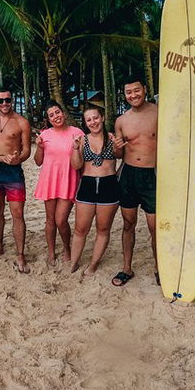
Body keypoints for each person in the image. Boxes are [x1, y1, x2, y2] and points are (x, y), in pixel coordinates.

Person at [113, 75, 195, 287]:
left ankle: (161, 269)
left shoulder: (162, 113)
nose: (133, 95)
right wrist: (116, 147)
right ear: (124, 95)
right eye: (128, 92)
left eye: (136, 90)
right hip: (128, 175)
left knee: (155, 227)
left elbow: (193, 129)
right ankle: (126, 268)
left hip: (153, 175)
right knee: (128, 223)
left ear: (145, 88)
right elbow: (118, 154)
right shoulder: (121, 121)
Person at [69, 105, 121, 276]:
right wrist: (75, 149)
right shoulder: (82, 140)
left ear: (103, 118)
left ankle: (93, 264)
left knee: (103, 229)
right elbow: (76, 166)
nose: (93, 122)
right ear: (85, 122)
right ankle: (74, 262)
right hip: (87, 185)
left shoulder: (112, 138)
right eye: (89, 119)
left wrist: (117, 148)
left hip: (109, 185)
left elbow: (122, 156)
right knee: (80, 229)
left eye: (96, 118)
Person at [0, 86, 32, 273]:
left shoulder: (22, 122)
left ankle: (20, 254)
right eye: (1, 100)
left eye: (8, 100)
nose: (4, 103)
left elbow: (27, 149)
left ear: (12, 100)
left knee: (17, 213)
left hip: (13, 171)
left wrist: (18, 158)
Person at [33, 101, 84, 267]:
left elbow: (83, 160)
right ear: (48, 119)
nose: (56, 116)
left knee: (61, 220)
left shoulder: (77, 132)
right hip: (49, 180)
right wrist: (39, 147)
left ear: (63, 112)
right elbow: (38, 162)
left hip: (69, 180)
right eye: (51, 115)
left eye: (57, 112)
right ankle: (51, 251)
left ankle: (67, 248)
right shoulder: (45, 135)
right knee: (50, 220)